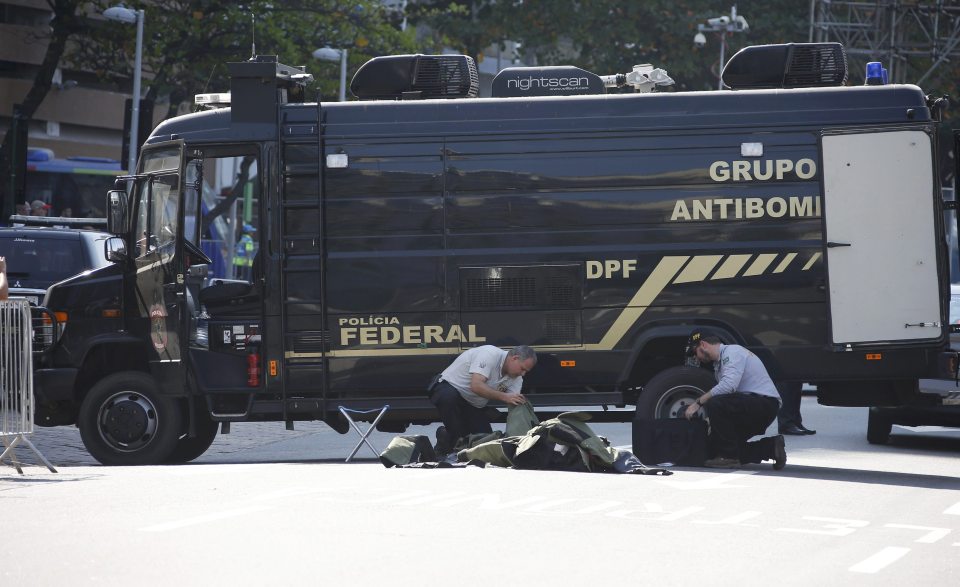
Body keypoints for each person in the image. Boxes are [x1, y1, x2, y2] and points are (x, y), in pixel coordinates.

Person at [683, 330, 787, 470]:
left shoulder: (732, 352)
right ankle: (771, 447)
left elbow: (729, 386)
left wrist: (698, 402)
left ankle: (729, 458)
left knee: (715, 403)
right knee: (714, 448)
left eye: (695, 352)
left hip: (764, 404)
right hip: (749, 406)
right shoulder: (719, 365)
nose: (696, 357)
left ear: (703, 344)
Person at [430, 345, 537, 454]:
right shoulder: (489, 354)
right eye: (522, 368)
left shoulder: (517, 379)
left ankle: (444, 436)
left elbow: (514, 405)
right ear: (515, 358)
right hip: (449, 389)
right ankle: (453, 444)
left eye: (526, 371)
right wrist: (505, 396)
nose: (523, 374)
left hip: (473, 404)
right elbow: (476, 385)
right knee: (449, 399)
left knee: (484, 442)